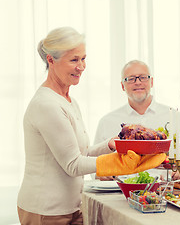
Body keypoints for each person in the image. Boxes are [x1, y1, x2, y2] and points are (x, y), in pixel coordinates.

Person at [17, 27, 165, 225]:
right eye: (74, 60)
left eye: (83, 59)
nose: (81, 66)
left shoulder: (68, 100)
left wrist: (112, 144)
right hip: (46, 211)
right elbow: (73, 165)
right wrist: (122, 163)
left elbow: (82, 153)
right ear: (51, 60)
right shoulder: (47, 104)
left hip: (73, 206)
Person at [94, 60, 180, 180]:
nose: (138, 82)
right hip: (119, 193)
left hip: (165, 190)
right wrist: (108, 174)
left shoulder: (175, 117)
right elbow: (95, 169)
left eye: (143, 77)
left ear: (151, 82)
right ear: (122, 86)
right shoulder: (106, 122)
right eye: (131, 79)